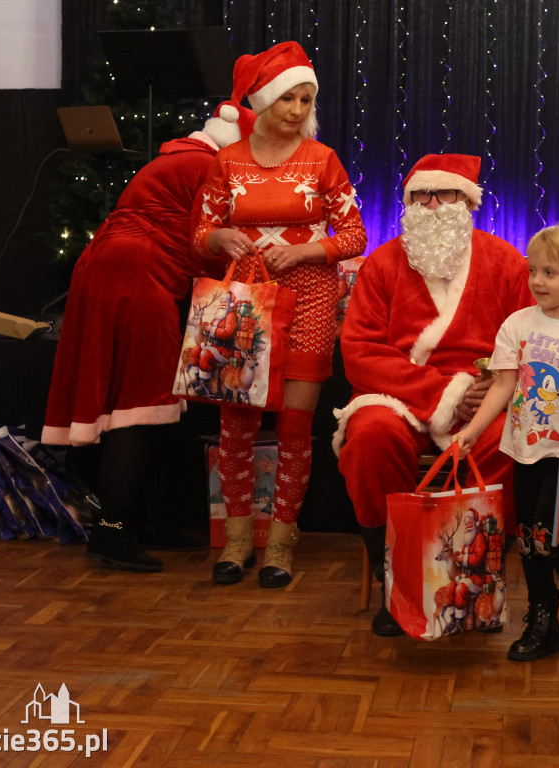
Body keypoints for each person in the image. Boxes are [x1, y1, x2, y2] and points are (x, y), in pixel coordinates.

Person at [41, 102, 256, 572]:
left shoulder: (175, 159)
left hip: (106, 268)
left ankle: (144, 523)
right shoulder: (209, 167)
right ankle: (112, 531)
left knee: (137, 401)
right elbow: (207, 241)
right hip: (140, 276)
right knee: (142, 403)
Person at [334, 153, 534, 636]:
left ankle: (469, 576)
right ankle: (396, 581)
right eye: (420, 196)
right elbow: (359, 351)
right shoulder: (383, 264)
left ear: (469, 202)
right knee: (369, 438)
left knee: (506, 441)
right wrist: (444, 391)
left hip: (481, 400)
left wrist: (490, 388)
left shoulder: (505, 262)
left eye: (443, 194)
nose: (431, 205)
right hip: (400, 396)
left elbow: (530, 340)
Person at [192, 41, 367, 588]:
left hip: (312, 300)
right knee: (236, 425)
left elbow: (356, 234)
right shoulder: (227, 160)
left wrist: (307, 251)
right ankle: (238, 540)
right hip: (245, 304)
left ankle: (283, 542)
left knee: (295, 427)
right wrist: (219, 235)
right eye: (287, 98)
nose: (296, 110)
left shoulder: (323, 160)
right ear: (264, 101)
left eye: (306, 99)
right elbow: (198, 238)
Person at [453, 224, 559, 661]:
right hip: (525, 451)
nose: (538, 281)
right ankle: (543, 618)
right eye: (534, 271)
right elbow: (504, 385)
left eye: (551, 272)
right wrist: (472, 429)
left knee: (549, 537)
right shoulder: (517, 324)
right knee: (526, 537)